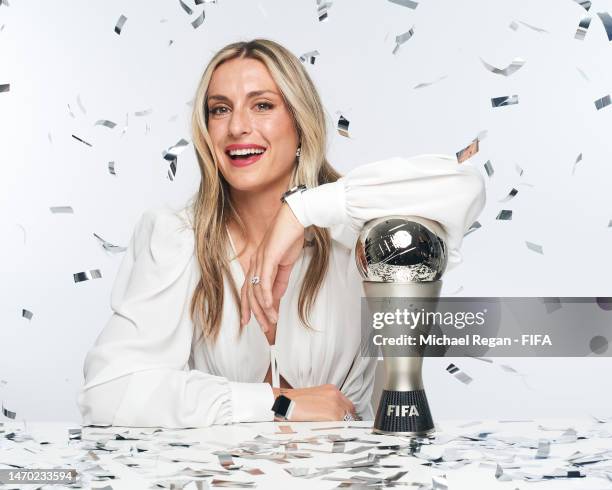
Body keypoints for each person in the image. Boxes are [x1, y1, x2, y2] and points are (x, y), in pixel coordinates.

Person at [77, 38, 486, 428]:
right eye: (220, 110)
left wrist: (300, 211)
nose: (237, 127)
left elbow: (464, 186)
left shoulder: (353, 230)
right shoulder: (176, 236)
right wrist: (276, 404)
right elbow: (109, 391)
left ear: (299, 121)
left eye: (263, 105)